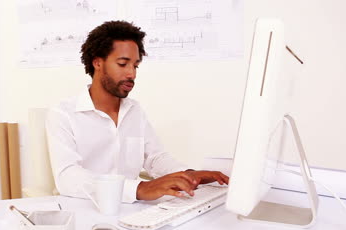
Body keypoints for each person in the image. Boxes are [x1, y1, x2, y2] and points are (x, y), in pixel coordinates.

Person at [46, 20, 229, 203]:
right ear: (97, 62)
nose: (131, 74)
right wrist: (139, 188)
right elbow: (67, 177)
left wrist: (189, 175)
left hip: (130, 210)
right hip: (87, 210)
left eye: (135, 66)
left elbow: (155, 158)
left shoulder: (135, 110)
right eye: (123, 64)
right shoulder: (63, 114)